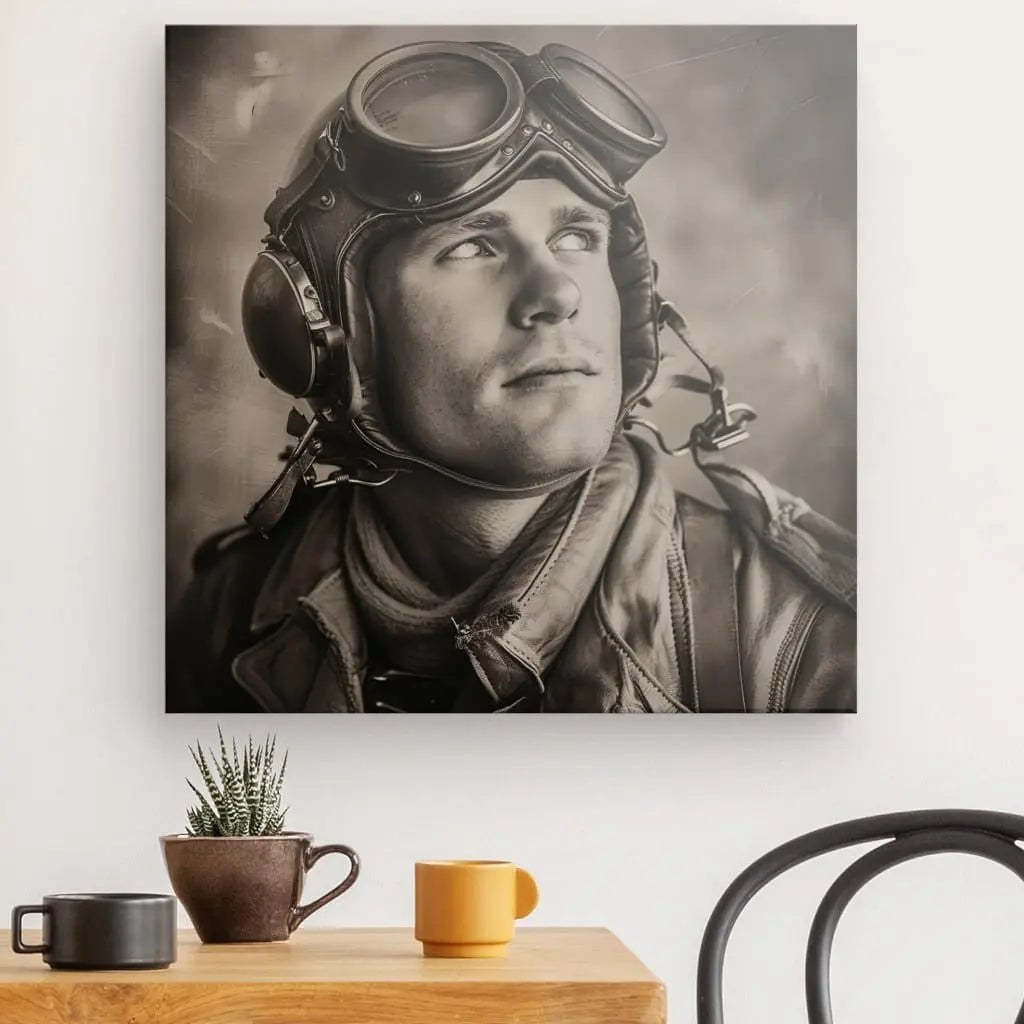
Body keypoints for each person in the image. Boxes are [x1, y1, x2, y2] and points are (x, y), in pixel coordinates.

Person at [167, 40, 856, 714]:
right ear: (320, 333)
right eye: (472, 245)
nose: (557, 293)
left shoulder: (807, 647)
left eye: (576, 238)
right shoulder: (224, 620)